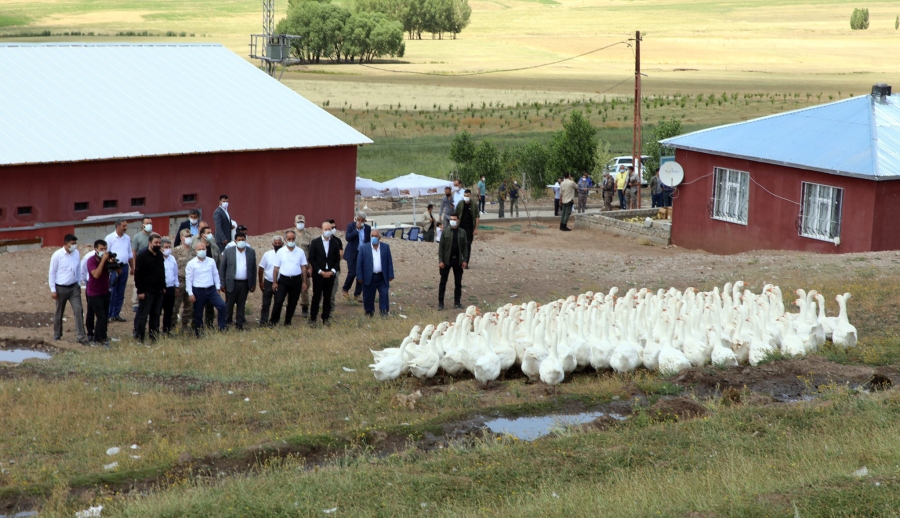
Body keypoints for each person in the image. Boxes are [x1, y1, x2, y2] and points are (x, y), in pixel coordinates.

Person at [49, 234, 88, 345]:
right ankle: (57, 334)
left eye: (75, 243)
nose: (74, 246)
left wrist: (79, 283)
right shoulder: (57, 255)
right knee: (59, 312)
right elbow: (52, 272)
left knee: (78, 310)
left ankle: (80, 336)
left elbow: (78, 269)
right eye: (72, 243)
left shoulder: (76, 253)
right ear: (66, 244)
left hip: (74, 287)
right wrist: (53, 289)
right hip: (60, 288)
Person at [185, 240, 226, 335]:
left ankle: (222, 328)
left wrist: (217, 287)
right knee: (198, 313)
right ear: (195, 251)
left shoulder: (211, 261)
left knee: (222, 306)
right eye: (199, 249)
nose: (202, 251)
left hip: (211, 290)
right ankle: (199, 332)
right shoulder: (191, 263)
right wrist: (190, 293)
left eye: (203, 249)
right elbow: (189, 279)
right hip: (198, 291)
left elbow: (215, 274)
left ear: (206, 250)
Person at [219, 231, 256, 331]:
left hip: (244, 283)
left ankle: (239, 325)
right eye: (239, 240)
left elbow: (253, 268)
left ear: (245, 240)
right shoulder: (228, 251)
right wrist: (222, 283)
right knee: (229, 305)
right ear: (235, 241)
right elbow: (222, 268)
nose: (241, 241)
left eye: (243, 240)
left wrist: (253, 283)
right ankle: (225, 325)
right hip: (231, 283)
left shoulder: (251, 252)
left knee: (241, 305)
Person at [269, 230, 308, 326]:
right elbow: (276, 269)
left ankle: (288, 321)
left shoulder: (300, 251)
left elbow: (303, 267)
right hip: (283, 280)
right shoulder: (281, 252)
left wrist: (304, 282)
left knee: (293, 302)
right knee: (278, 301)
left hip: (296, 280)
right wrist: (274, 282)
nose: (291, 240)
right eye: (289, 239)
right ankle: (273, 321)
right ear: (285, 240)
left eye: (293, 239)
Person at [307, 222, 343, 326]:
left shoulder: (335, 243)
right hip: (319, 275)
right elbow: (311, 259)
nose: (328, 231)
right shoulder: (315, 242)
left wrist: (332, 271)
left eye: (330, 229)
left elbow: (337, 260)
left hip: (330, 275)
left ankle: (326, 318)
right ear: (321, 230)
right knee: (316, 297)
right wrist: (319, 271)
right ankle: (313, 318)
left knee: (328, 297)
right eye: (326, 229)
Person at [133, 233, 165, 343]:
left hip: (158, 291)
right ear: (149, 243)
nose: (158, 245)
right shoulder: (142, 256)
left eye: (160, 243)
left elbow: (162, 271)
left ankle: (154, 338)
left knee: (155, 315)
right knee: (143, 315)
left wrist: (163, 286)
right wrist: (140, 291)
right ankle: (139, 337)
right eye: (156, 243)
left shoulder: (160, 255)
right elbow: (138, 275)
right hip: (146, 291)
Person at [356, 229, 394, 317]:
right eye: (372, 236)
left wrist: (390, 274)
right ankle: (369, 312)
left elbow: (389, 262)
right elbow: (359, 263)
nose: (374, 238)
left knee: (384, 295)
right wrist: (359, 276)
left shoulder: (385, 247)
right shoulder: (364, 248)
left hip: (382, 277)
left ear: (379, 237)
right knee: (368, 296)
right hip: (369, 277)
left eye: (375, 236)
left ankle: (384, 311)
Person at [86, 239, 116, 347]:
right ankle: (103, 340)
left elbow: (119, 271)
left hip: (105, 292)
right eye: (101, 249)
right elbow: (96, 275)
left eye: (105, 249)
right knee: (101, 317)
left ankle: (97, 339)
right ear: (95, 249)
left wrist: (114, 262)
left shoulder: (107, 259)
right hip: (94, 293)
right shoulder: (91, 261)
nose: (104, 251)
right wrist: (103, 260)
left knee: (103, 317)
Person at [105, 219, 134, 323]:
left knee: (121, 292)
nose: (125, 228)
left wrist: (132, 267)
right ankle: (109, 314)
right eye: (123, 226)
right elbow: (106, 253)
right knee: (112, 291)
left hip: (124, 267)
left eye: (126, 226)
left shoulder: (127, 238)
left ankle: (116, 313)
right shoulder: (109, 238)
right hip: (113, 268)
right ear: (117, 226)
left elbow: (129, 253)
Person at [438, 214, 468, 311]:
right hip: (446, 261)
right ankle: (441, 303)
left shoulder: (462, 232)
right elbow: (441, 247)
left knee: (458, 283)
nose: (452, 221)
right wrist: (441, 261)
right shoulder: (445, 232)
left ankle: (457, 303)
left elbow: (465, 248)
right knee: (443, 282)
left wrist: (465, 260)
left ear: (458, 220)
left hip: (458, 261)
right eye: (451, 219)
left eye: (454, 219)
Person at [342, 212, 371, 302]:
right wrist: (357, 230)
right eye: (358, 220)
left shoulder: (368, 228)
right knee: (353, 272)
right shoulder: (351, 226)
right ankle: (345, 289)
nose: (360, 222)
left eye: (362, 221)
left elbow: (367, 241)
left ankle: (357, 294)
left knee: (361, 274)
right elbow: (348, 238)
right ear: (356, 219)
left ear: (365, 221)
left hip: (362, 253)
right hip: (352, 253)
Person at [172, 229, 195, 334]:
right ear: (181, 238)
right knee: (175, 306)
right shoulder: (176, 251)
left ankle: (185, 326)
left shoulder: (194, 251)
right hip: (179, 281)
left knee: (189, 306)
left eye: (190, 236)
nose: (189, 238)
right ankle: (171, 327)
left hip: (191, 282)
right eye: (187, 236)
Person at [257, 235, 283, 326]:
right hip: (268, 281)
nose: (277, 245)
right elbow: (261, 268)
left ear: (282, 244)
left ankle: (274, 322)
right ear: (272, 244)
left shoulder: (284, 254)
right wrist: (260, 282)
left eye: (279, 243)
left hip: (280, 282)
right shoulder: (267, 254)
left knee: (278, 303)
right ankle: (263, 321)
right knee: (266, 303)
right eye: (275, 243)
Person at [130, 217, 154, 313]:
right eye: (147, 223)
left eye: (151, 223)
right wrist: (134, 265)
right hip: (141, 263)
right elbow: (134, 251)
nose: (149, 225)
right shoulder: (137, 237)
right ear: (142, 225)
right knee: (137, 283)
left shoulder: (154, 235)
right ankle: (135, 303)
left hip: (151, 264)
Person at [455, 188, 479, 268]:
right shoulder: (460, 204)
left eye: (467, 196)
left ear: (470, 195)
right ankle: (459, 261)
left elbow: (477, 217)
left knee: (468, 245)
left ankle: (466, 262)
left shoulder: (474, 205)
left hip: (469, 228)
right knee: (459, 244)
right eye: (465, 196)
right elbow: (456, 215)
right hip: (461, 227)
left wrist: (476, 229)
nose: (466, 197)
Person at [160, 238, 179, 336]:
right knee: (157, 311)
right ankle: (154, 330)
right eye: (165, 247)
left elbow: (175, 273)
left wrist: (176, 286)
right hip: (160, 289)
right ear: (161, 248)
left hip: (171, 288)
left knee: (169, 311)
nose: (168, 249)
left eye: (169, 247)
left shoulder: (172, 259)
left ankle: (166, 331)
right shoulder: (158, 259)